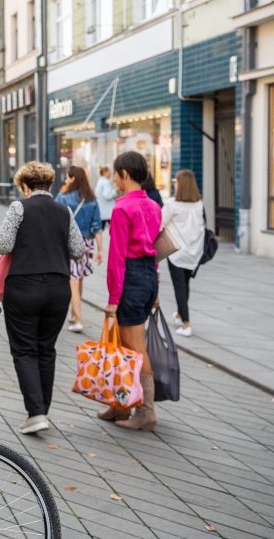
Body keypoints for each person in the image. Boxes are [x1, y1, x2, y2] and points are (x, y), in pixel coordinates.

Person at [0, 162, 86, 434]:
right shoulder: (64, 210)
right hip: (58, 288)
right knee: (47, 349)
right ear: (50, 184)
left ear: (25, 185)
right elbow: (79, 249)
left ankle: (35, 413)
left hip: (24, 286)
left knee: (24, 349)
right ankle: (42, 410)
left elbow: (2, 244)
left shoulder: (18, 208)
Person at [103, 151, 161, 431]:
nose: (115, 179)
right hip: (149, 276)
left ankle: (145, 410)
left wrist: (114, 298)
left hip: (132, 278)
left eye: (116, 173)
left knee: (135, 347)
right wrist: (156, 287)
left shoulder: (122, 208)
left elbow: (117, 258)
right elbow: (156, 248)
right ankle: (120, 403)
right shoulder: (153, 206)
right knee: (128, 345)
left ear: (124, 173)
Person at [55, 165, 103, 332]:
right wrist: (101, 249)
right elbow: (97, 226)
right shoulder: (91, 199)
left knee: (73, 281)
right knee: (79, 278)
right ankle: (74, 314)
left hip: (70, 242)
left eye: (67, 177)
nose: (66, 180)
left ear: (73, 178)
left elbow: (56, 220)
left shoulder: (63, 197)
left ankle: (79, 320)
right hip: (87, 243)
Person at [162, 169, 205, 337]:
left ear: (180, 184)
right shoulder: (199, 204)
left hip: (176, 252)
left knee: (179, 286)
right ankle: (180, 315)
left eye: (176, 182)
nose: (174, 184)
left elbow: (160, 222)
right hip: (194, 252)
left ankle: (186, 324)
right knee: (185, 284)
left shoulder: (172, 204)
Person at [95, 165, 117, 230]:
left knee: (100, 230)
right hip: (108, 212)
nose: (110, 173)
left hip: (103, 211)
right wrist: (115, 190)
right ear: (105, 172)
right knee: (114, 230)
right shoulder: (105, 182)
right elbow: (107, 195)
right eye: (109, 171)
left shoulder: (100, 181)